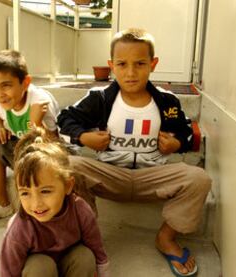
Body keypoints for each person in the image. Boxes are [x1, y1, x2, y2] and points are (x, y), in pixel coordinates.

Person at [57, 28, 211, 276]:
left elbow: (187, 132)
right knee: (69, 166)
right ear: (111, 66)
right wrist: (84, 137)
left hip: (153, 178)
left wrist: (177, 144)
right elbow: (64, 119)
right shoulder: (100, 99)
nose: (130, 72)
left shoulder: (167, 101)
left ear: (153, 64)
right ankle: (85, 234)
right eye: (122, 64)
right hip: (110, 175)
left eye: (140, 63)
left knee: (199, 179)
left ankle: (166, 237)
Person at [0, 128, 109, 277]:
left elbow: (97, 249)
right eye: (25, 193)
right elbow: (8, 270)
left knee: (85, 255)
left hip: (69, 265)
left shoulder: (80, 210)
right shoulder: (20, 227)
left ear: (68, 186)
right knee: (40, 266)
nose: (36, 203)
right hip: (40, 271)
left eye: (45, 191)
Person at [0, 50, 59, 224]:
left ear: (25, 82)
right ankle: (2, 203)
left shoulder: (39, 102)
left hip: (48, 153)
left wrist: (37, 124)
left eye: (6, 85)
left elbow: (55, 144)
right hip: (23, 149)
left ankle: (37, 208)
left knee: (34, 153)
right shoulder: (1, 101)